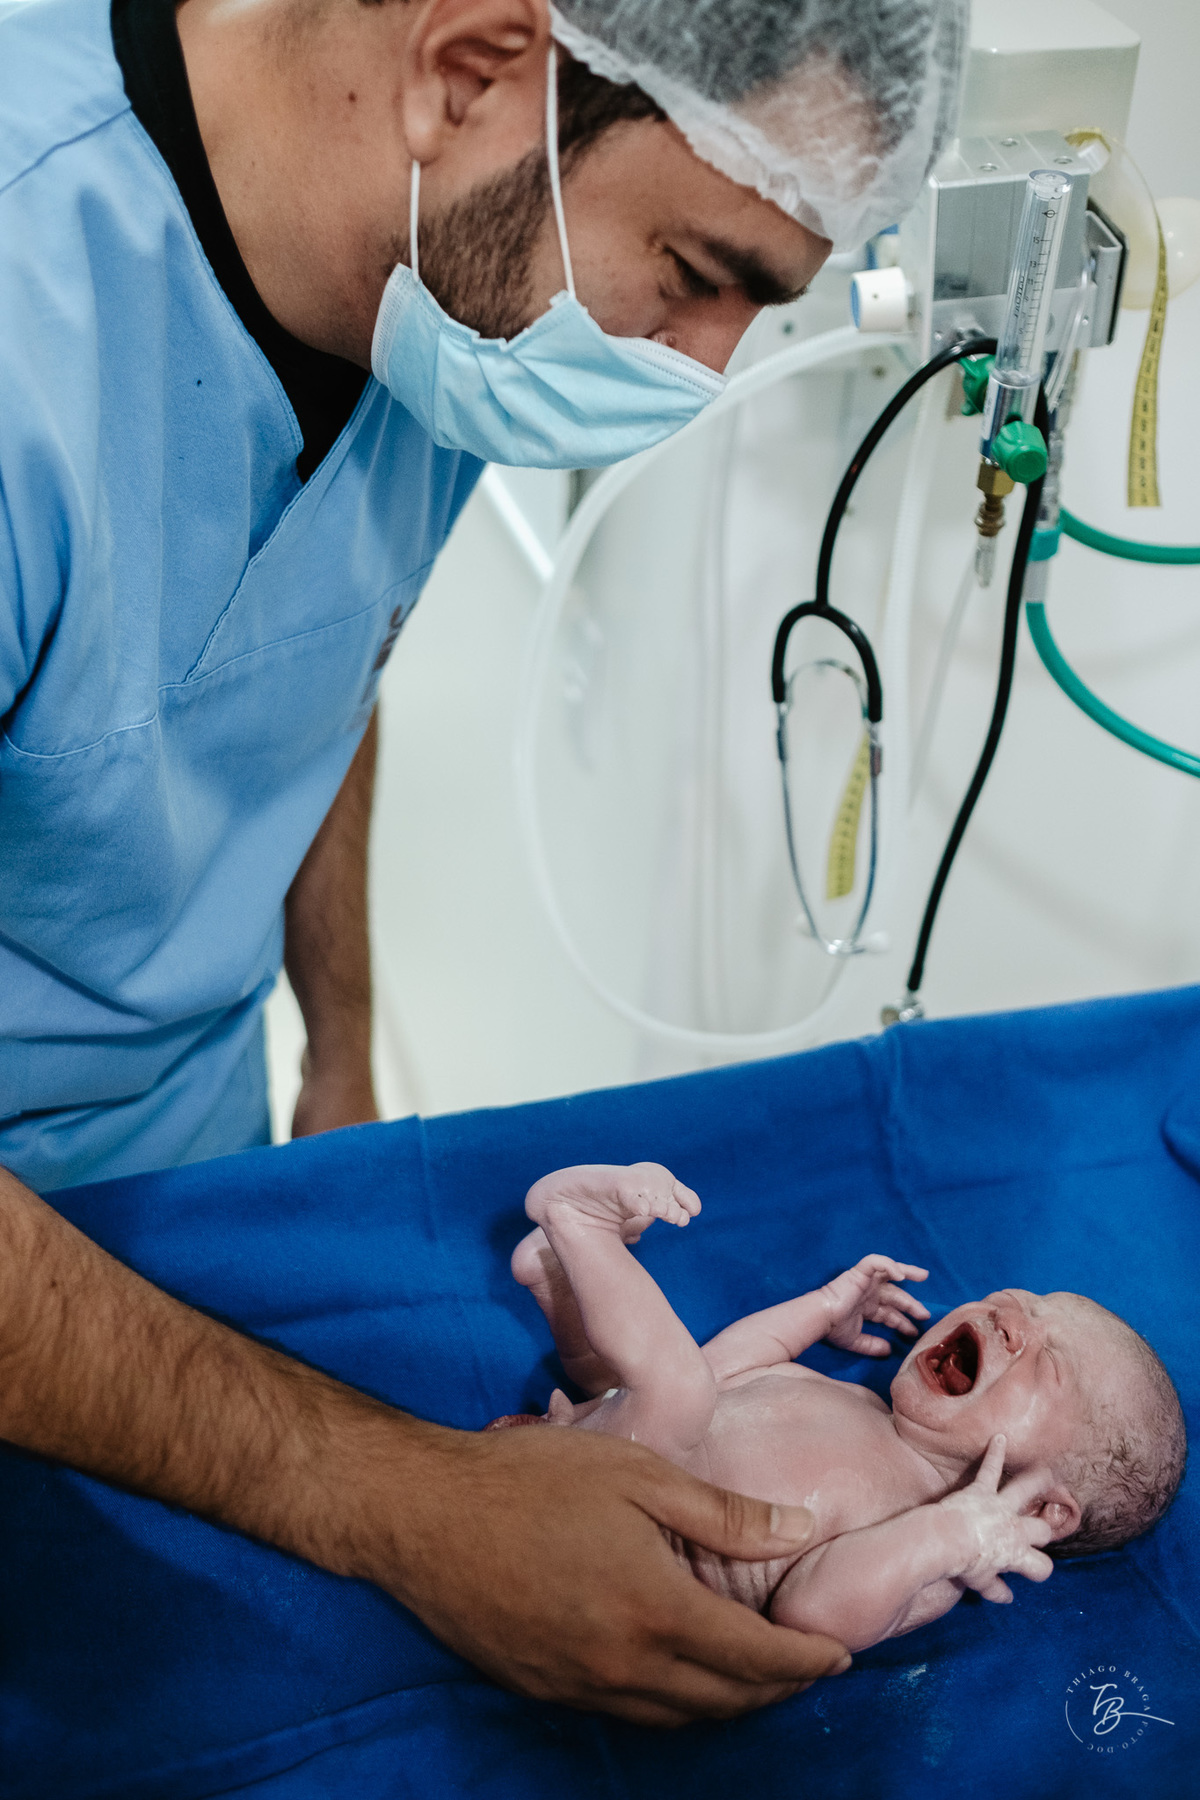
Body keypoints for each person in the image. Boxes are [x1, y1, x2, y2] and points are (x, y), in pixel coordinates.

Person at [0, 0, 967, 1724]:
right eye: (693, 269)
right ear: (469, 71)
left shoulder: (433, 293)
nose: (700, 368)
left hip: (177, 1160)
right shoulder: (28, 316)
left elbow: (311, 667)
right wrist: (409, 1505)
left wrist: (342, 1045)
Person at [509, 1163, 1187, 1650]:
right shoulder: (856, 1402)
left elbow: (812, 1614)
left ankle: (578, 1224)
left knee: (672, 1390)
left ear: (1042, 1510)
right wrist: (823, 1308)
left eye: (1049, 1362)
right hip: (600, 1436)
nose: (1014, 1316)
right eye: (1033, 1303)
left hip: (611, 1536)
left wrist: (953, 1534)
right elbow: (734, 1364)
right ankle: (563, 1276)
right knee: (651, 1380)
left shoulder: (929, 1561)